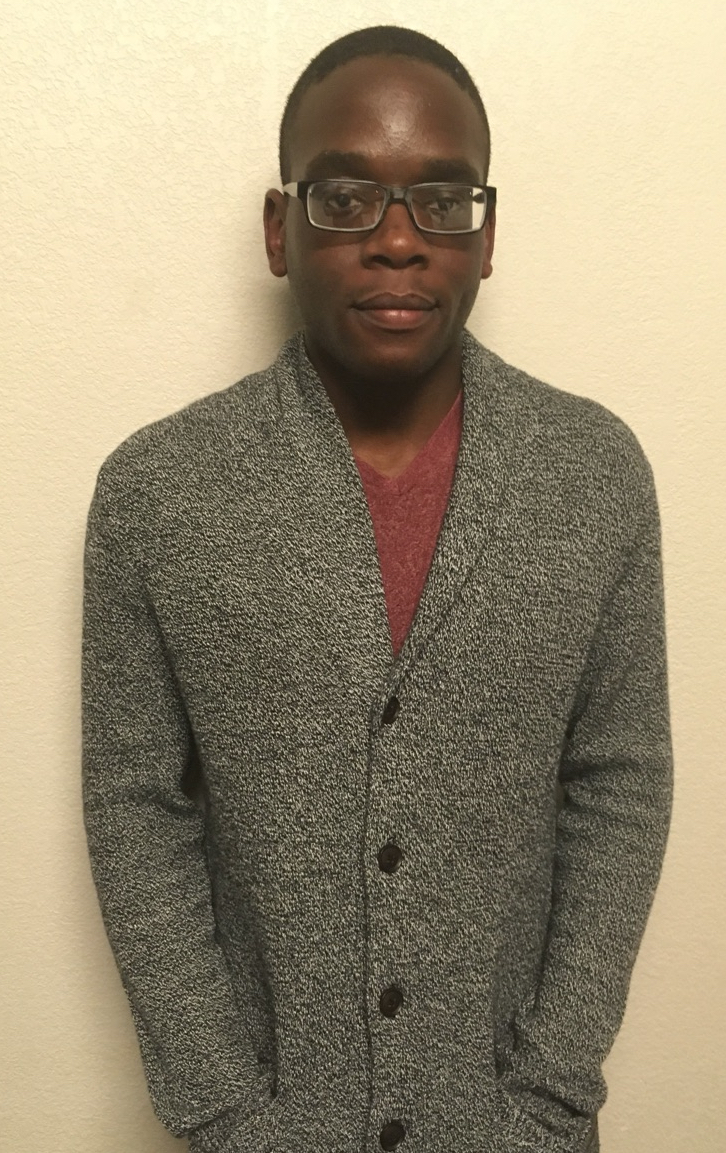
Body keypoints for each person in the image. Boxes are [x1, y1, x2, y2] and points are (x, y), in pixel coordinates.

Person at [82, 25, 673, 1153]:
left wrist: (548, 1095)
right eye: (347, 197)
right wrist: (226, 1113)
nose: (398, 241)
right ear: (280, 228)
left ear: (486, 238)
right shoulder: (158, 491)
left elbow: (622, 783)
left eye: (441, 202)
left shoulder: (593, 473)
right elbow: (135, 807)